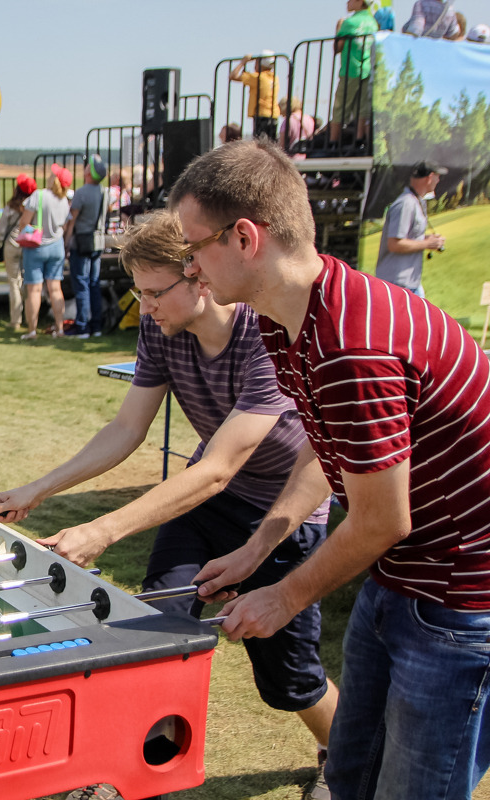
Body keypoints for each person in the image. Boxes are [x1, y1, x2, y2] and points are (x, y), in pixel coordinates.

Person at [172, 137, 490, 800]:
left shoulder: (353, 345)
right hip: (400, 576)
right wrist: (260, 547)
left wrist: (284, 597)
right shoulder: (286, 320)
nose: (191, 267)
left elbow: (381, 518)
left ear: (246, 238)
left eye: (194, 246)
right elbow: (331, 446)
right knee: (349, 775)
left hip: (462, 599)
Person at [0, 208, 339, 799]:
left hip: (282, 514)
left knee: (290, 682)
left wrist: (104, 529)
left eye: (154, 293)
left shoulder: (262, 333)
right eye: (138, 293)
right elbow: (126, 429)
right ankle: (120, 774)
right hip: (203, 506)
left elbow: (220, 469)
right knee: (153, 636)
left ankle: (344, 754)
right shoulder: (160, 328)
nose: (143, 307)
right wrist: (38, 489)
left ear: (200, 277)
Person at [375, 160, 447, 297]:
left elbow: (406, 237)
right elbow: (394, 244)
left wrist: (427, 239)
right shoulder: (406, 204)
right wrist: (427, 244)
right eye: (438, 176)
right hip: (397, 285)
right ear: (430, 177)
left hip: (409, 284)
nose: (438, 180)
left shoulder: (415, 201)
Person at [16, 164, 72, 339]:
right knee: (55, 289)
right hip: (57, 246)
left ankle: (32, 330)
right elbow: (65, 224)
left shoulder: (38, 195)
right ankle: (60, 328)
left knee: (34, 289)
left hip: (36, 246)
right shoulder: (63, 200)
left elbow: (24, 222)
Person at [65, 155, 109, 338]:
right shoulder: (104, 192)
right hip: (98, 241)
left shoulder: (82, 193)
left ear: (89, 172)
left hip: (81, 243)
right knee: (94, 283)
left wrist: (66, 242)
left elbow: (72, 220)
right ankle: (96, 326)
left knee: (81, 284)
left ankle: (82, 326)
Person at [330, 0, 379, 146]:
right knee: (362, 108)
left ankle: (333, 143)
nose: (347, 2)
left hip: (350, 70)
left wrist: (338, 30)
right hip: (367, 70)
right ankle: (359, 141)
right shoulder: (373, 23)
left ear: (359, 1)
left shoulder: (349, 23)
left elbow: (337, 48)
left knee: (340, 108)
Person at [0, 174, 33, 330]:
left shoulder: (10, 207)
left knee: (14, 282)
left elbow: (2, 230)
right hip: (27, 244)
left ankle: (15, 319)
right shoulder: (32, 206)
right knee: (27, 281)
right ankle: (30, 317)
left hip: (11, 245)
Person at [229, 51, 281, 141]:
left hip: (261, 115)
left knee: (260, 144)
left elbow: (233, 76)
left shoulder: (257, 77)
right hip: (274, 114)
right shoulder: (274, 78)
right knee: (271, 144)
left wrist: (243, 62)